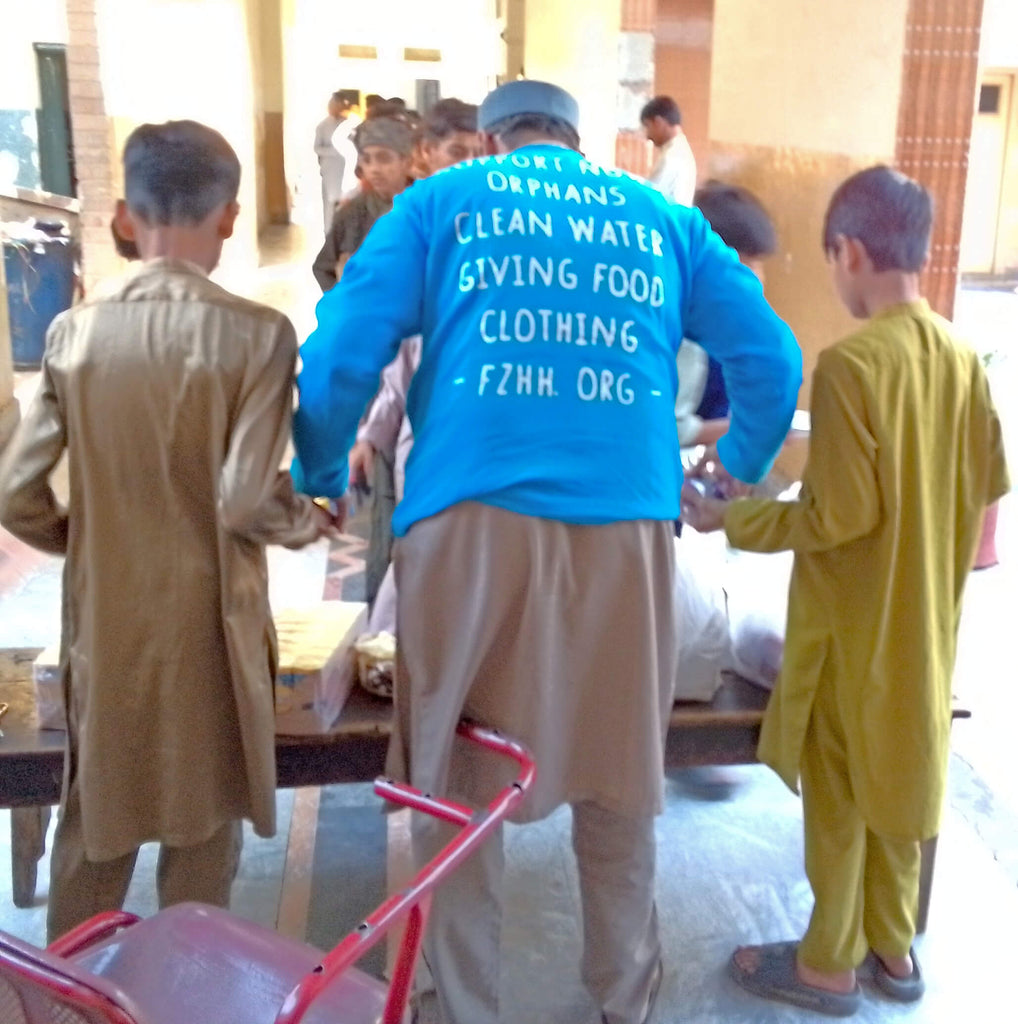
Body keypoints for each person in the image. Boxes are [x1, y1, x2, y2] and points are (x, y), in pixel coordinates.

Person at [293, 79, 801, 1024]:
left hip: (466, 526)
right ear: (578, 142)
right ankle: (622, 1000)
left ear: (492, 142)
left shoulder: (440, 204)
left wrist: (322, 464)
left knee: (458, 786)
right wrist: (732, 470)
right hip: (626, 531)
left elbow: (342, 350)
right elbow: (772, 360)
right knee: (618, 779)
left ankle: (472, 1006)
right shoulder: (661, 219)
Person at [681, 166, 1010, 1016]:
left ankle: (827, 961)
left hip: (854, 630)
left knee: (841, 798)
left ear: (851, 252)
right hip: (927, 629)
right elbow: (986, 499)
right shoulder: (961, 357)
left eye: (831, 262)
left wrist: (735, 524)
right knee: (901, 786)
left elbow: (838, 517)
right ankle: (893, 952)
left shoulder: (853, 364)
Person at [0, 120, 338, 943]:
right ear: (228, 216)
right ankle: (184, 990)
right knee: (200, 832)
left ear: (123, 216)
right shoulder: (259, 336)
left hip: (106, 624)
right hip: (211, 628)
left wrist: (88, 538)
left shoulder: (72, 335)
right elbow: (245, 499)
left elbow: (14, 493)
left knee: (98, 826)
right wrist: (309, 520)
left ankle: (74, 995)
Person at [347, 98, 484, 634]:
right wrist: (371, 432)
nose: (471, 165)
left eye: (481, 153)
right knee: (415, 571)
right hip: (425, 437)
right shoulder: (415, 233)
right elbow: (402, 355)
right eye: (458, 152)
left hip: (491, 445)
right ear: (426, 153)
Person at [676, 181, 778, 448]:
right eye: (747, 264)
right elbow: (671, 430)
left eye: (759, 265)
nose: (757, 278)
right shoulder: (681, 328)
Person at [311, 116, 414, 292]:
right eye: (367, 160)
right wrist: (346, 302)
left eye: (384, 158)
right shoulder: (351, 213)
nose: (374, 168)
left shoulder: (427, 212)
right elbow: (323, 268)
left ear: (406, 161)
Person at [640, 94, 697, 206]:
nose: (647, 136)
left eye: (647, 126)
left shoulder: (672, 156)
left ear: (658, 122)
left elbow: (649, 198)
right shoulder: (680, 150)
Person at [315, 91, 353, 232]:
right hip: (329, 170)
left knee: (345, 204)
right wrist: (334, 151)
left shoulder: (348, 125)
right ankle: (329, 234)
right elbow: (317, 148)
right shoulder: (323, 126)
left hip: (346, 169)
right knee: (329, 206)